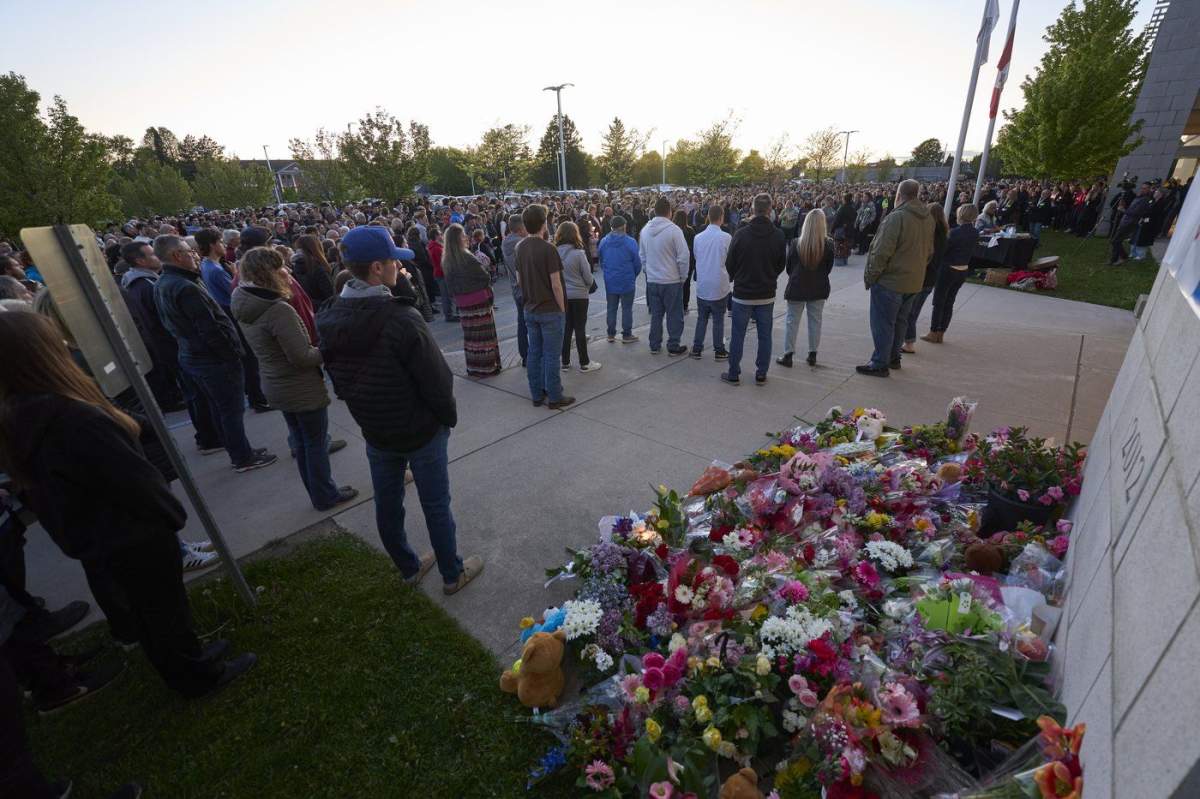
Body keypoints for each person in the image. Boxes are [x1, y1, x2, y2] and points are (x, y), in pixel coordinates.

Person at [0, 311, 256, 699]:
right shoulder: (70, 416)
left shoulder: (22, 413)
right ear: (39, 353)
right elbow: (132, 480)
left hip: (103, 535)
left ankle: (187, 659)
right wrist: (169, 515)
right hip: (134, 531)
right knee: (164, 611)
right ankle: (196, 675)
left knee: (150, 610)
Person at [316, 226, 483, 595]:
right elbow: (437, 380)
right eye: (393, 261)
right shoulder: (401, 318)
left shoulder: (329, 315)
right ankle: (452, 574)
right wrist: (446, 418)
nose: (398, 266)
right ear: (377, 267)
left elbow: (337, 378)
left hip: (376, 429)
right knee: (435, 504)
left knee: (388, 503)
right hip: (419, 429)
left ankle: (408, 568)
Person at [231, 248, 358, 511]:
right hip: (298, 386)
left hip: (276, 382)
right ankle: (325, 494)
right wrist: (331, 348)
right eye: (281, 267)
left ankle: (319, 492)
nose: (287, 272)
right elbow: (302, 357)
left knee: (302, 442)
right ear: (268, 273)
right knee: (314, 443)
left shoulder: (244, 301)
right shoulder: (277, 310)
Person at [152, 235, 277, 472]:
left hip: (196, 357)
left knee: (221, 408)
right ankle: (242, 457)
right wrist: (231, 354)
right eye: (189, 251)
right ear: (177, 255)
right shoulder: (185, 287)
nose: (194, 255)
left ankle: (239, 449)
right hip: (212, 360)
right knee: (230, 410)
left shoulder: (165, 282)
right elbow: (209, 328)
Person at [857, 180, 934, 377]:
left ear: (899, 195)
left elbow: (881, 252)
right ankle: (893, 358)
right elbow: (929, 252)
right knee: (900, 322)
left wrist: (871, 277)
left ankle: (879, 363)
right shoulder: (928, 218)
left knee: (883, 323)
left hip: (890, 281)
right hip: (913, 281)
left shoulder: (897, 217)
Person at [198, 228, 271, 413]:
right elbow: (236, 292)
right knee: (250, 359)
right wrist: (234, 274)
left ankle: (256, 395)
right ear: (213, 245)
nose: (224, 245)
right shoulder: (215, 269)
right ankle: (258, 398)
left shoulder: (208, 265)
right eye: (220, 242)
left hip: (228, 312)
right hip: (232, 314)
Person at [722, 193, 786, 385]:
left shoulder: (741, 234)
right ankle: (761, 372)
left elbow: (730, 263)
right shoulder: (778, 235)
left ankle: (734, 372)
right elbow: (780, 264)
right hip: (766, 293)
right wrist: (769, 276)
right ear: (770, 210)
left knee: (738, 335)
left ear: (752, 209)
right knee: (765, 336)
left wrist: (738, 277)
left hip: (743, 293)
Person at [515, 204, 574, 410]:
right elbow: (556, 284)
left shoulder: (520, 247)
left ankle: (537, 393)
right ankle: (555, 395)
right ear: (543, 223)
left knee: (535, 353)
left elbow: (519, 280)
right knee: (551, 355)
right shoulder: (549, 249)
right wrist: (562, 309)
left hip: (530, 308)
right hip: (550, 310)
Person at [776, 207, 833, 368]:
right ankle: (812, 353)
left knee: (791, 321)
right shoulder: (828, 245)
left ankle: (788, 354)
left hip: (797, 286)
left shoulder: (796, 243)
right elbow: (828, 268)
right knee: (815, 321)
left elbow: (789, 267)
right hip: (818, 287)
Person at [442, 224, 501, 377]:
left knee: (471, 337)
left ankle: (475, 367)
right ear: (458, 239)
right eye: (463, 235)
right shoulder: (467, 257)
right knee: (484, 336)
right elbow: (484, 277)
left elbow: (449, 286)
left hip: (463, 304)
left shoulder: (447, 260)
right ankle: (488, 366)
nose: (466, 238)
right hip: (479, 301)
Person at [639, 197, 690, 355]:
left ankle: (654, 344)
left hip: (653, 280)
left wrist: (648, 271)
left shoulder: (645, 230)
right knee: (674, 314)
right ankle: (673, 345)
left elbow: (642, 255)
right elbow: (683, 256)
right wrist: (683, 277)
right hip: (671, 279)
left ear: (654, 211)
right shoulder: (674, 230)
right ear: (670, 212)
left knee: (656, 314)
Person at [923, 204, 980, 344]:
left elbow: (944, 251)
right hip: (963, 269)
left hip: (948, 269)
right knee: (949, 302)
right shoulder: (975, 232)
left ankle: (933, 331)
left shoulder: (954, 233)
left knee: (939, 301)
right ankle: (941, 332)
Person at [901, 203, 948, 353]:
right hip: (931, 278)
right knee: (913, 311)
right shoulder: (944, 234)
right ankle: (907, 340)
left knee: (909, 312)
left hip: (921, 277)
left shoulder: (929, 234)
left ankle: (909, 342)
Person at [555, 221, 600, 373]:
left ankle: (565, 361)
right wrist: (588, 286)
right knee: (580, 328)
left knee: (566, 328)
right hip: (579, 295)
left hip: (563, 295)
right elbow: (588, 276)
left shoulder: (554, 253)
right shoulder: (578, 253)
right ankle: (584, 362)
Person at [690, 205, 732, 360]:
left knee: (702, 318)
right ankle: (719, 350)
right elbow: (730, 260)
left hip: (703, 284)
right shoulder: (726, 237)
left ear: (708, 216)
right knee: (718, 320)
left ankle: (697, 348)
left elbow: (696, 257)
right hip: (719, 284)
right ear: (721, 217)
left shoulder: (698, 237)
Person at [597, 216, 640, 344]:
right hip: (626, 279)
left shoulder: (604, 241)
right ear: (624, 226)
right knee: (626, 308)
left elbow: (601, 260)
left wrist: (608, 272)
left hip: (611, 279)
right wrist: (632, 275)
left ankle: (611, 334)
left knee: (611, 307)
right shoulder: (630, 242)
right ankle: (627, 334)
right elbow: (637, 263)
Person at [501, 214, 529, 365]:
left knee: (522, 322)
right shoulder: (522, 244)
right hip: (525, 287)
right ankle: (531, 355)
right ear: (520, 228)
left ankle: (525, 354)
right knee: (533, 323)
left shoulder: (506, 242)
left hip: (515, 287)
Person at [1110, 183, 1153, 265]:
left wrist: (1123, 210)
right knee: (1117, 241)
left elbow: (1136, 213)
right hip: (1125, 221)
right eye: (1142, 188)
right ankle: (1114, 259)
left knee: (1115, 241)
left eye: (1145, 188)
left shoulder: (1145, 200)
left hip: (1130, 222)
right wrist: (1123, 205)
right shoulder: (1138, 197)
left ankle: (1123, 257)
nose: (1142, 190)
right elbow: (1131, 208)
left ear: (1149, 190)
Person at [290, 234, 336, 306]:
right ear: (317, 247)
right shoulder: (318, 269)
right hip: (322, 309)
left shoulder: (295, 267)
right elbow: (330, 297)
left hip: (307, 308)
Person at [429, 227, 456, 321]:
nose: (442, 235)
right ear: (436, 236)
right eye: (440, 234)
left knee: (447, 295)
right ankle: (449, 315)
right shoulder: (436, 248)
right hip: (442, 273)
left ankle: (450, 313)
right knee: (446, 296)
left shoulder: (436, 246)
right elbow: (442, 262)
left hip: (441, 272)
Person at [673, 210, 697, 313]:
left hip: (674, 261)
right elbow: (694, 247)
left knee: (675, 284)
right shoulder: (690, 231)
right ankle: (685, 306)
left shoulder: (673, 230)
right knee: (686, 284)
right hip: (689, 260)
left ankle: (676, 304)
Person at [831, 193, 856, 266]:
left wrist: (832, 229)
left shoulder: (842, 208)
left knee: (839, 246)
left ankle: (839, 262)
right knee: (846, 246)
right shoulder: (852, 208)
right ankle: (845, 260)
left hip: (841, 230)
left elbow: (837, 220)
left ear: (844, 199)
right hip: (849, 230)